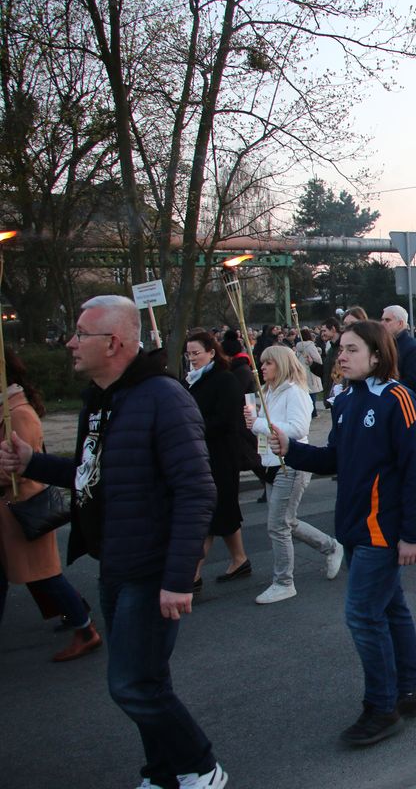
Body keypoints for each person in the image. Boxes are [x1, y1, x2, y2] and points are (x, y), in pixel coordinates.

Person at [0, 295, 226, 787]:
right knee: (147, 679)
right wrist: (32, 463)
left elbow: (195, 490)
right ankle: (163, 773)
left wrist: (178, 577)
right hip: (117, 562)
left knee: (131, 685)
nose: (70, 342)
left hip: (152, 566)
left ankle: (202, 767)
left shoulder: (163, 398)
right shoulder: (101, 399)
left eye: (81, 333)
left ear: (114, 342)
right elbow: (92, 473)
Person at [270, 320, 416, 746]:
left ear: (377, 355)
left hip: (382, 530)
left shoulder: (398, 399)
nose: (341, 356)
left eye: (352, 349)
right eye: (340, 348)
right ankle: (408, 692)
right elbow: (335, 459)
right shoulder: (344, 399)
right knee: (391, 609)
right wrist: (291, 449)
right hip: (354, 527)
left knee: (362, 615)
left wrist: (413, 534)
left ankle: (382, 707)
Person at [0, 348, 101, 662]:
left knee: (44, 575)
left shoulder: (17, 413)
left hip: (22, 508)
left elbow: (20, 466)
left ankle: (84, 626)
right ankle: (79, 619)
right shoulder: (8, 408)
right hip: (12, 510)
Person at [246, 346, 343, 604]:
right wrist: (255, 421)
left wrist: (258, 423)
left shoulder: (295, 392)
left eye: (268, 363)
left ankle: (284, 582)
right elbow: (267, 428)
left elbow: (298, 429)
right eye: (262, 363)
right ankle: (331, 546)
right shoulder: (269, 391)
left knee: (278, 524)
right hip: (271, 463)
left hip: (290, 465)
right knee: (286, 521)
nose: (262, 367)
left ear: (281, 364)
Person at [184, 331, 251, 589]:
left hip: (221, 455)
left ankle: (192, 574)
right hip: (202, 454)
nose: (192, 359)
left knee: (210, 514)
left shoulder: (225, 379)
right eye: (188, 354)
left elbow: (225, 420)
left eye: (196, 353)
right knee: (223, 510)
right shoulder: (192, 380)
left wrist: (192, 429)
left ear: (211, 352)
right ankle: (239, 558)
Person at [380, 304, 416, 396]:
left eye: (387, 320)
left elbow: (413, 382)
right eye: (382, 319)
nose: (382, 323)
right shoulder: (382, 344)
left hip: (403, 401)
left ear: (400, 323)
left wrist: (383, 387)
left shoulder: (413, 347)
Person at [294, 328, 325, 416]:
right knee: (312, 391)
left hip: (302, 370)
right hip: (311, 370)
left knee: (306, 392)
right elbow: (317, 359)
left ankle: (307, 412)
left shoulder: (298, 346)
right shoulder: (310, 345)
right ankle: (313, 412)